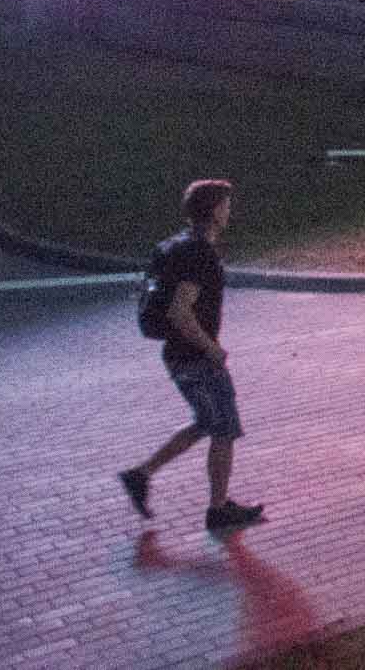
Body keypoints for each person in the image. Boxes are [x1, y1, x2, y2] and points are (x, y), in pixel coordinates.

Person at [118, 179, 265, 532]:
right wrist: (212, 349)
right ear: (214, 211)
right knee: (224, 429)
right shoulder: (199, 254)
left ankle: (141, 475)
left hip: (177, 354)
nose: (229, 211)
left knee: (206, 422)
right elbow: (180, 311)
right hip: (196, 356)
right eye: (226, 205)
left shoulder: (177, 246)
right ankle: (218, 510)